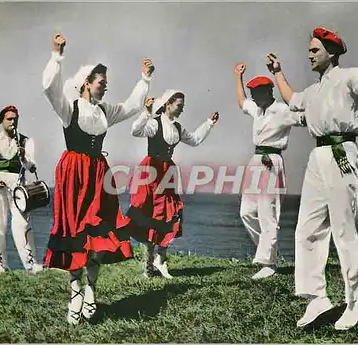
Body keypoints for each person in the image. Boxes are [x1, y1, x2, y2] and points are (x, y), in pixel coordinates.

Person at [267, 22, 358, 330]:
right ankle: (316, 299)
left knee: (345, 230)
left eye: (314, 50)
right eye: (308, 50)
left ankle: (355, 303)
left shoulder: (350, 76)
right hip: (317, 157)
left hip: (342, 153)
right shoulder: (314, 90)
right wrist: (277, 71)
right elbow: (293, 99)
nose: (309, 55)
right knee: (306, 230)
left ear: (331, 52)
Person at [41, 33, 155, 325]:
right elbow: (49, 89)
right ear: (86, 84)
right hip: (73, 176)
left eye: (106, 83)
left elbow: (131, 107)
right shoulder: (70, 109)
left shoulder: (106, 110)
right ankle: (75, 292)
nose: (105, 87)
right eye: (101, 83)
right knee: (76, 233)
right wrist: (57, 55)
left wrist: (145, 80)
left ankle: (90, 289)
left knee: (98, 234)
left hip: (99, 176)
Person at [122, 90, 218, 279]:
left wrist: (209, 123)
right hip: (150, 171)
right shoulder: (154, 123)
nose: (182, 109)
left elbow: (195, 140)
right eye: (179, 106)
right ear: (167, 104)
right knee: (150, 215)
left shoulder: (178, 127)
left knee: (169, 214)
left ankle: (161, 260)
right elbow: (135, 130)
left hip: (167, 173)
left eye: (183, 106)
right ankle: (148, 265)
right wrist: (147, 112)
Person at [234, 64, 305, 280]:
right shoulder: (257, 108)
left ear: (268, 92)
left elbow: (304, 118)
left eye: (257, 93)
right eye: (253, 93)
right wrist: (238, 76)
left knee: (268, 214)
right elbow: (241, 102)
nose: (253, 97)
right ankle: (266, 253)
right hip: (255, 161)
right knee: (246, 212)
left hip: (272, 161)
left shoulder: (282, 110)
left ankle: (269, 263)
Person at [0, 105, 43, 275]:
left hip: (18, 187)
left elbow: (32, 167)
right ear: (2, 121)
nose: (13, 121)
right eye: (10, 119)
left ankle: (31, 264)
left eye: (16, 118)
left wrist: (23, 157)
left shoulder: (25, 141)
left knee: (23, 223)